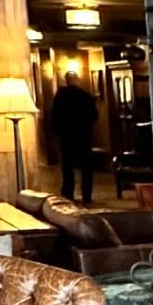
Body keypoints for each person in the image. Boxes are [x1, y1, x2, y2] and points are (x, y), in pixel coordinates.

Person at [49, 72, 99, 205]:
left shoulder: (60, 97)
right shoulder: (86, 96)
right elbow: (94, 116)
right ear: (77, 80)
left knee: (67, 167)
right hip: (84, 137)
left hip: (66, 137)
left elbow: (54, 116)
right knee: (86, 168)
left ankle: (68, 194)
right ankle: (87, 196)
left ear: (66, 80)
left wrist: (57, 133)